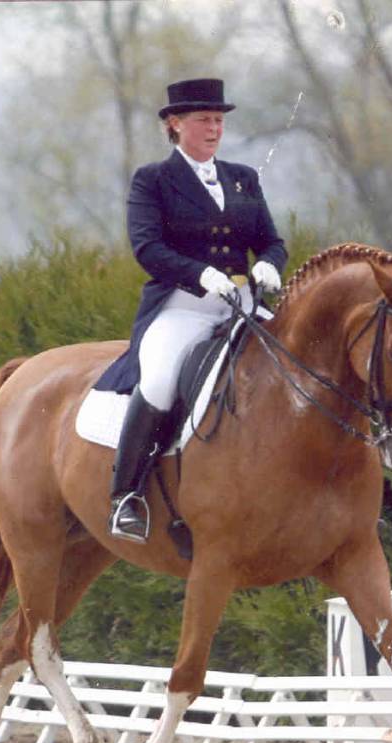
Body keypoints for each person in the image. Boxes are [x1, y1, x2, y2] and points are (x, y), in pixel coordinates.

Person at [94, 78, 287, 542]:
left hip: (241, 306)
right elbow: (147, 247)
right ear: (175, 124)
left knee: (295, 370)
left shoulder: (243, 177)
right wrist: (199, 274)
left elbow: (271, 240)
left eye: (219, 120)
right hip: (182, 308)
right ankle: (128, 496)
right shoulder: (153, 181)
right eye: (204, 120)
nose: (214, 128)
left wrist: (268, 265)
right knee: (159, 380)